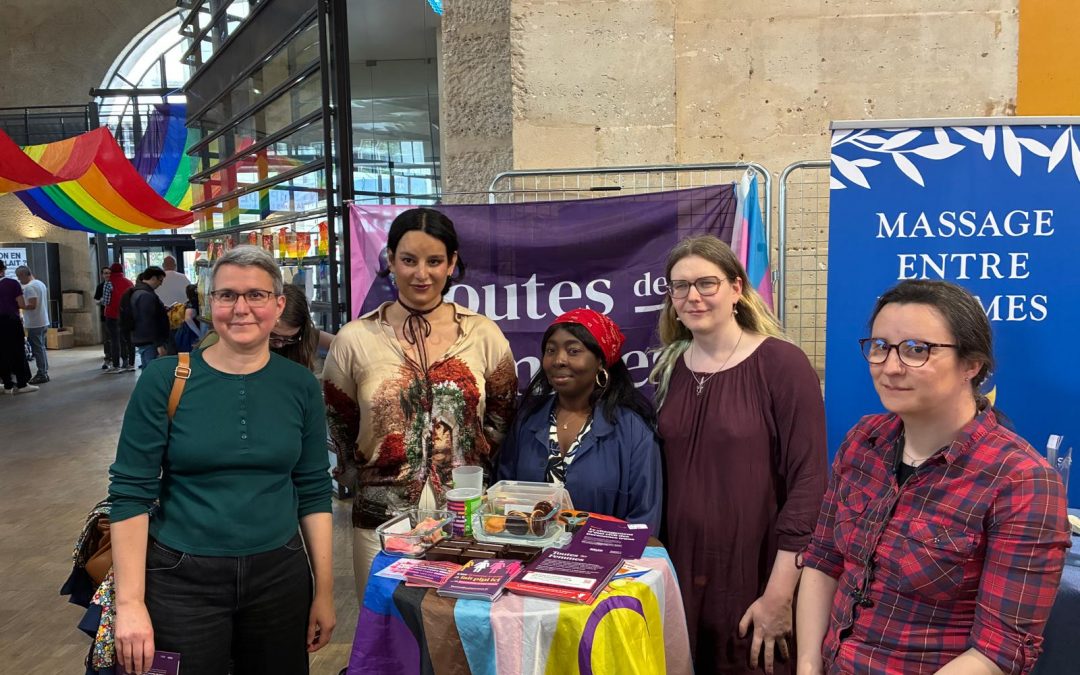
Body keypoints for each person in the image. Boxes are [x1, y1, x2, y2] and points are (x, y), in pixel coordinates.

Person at [796, 280, 1070, 675]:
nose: (890, 367)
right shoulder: (863, 441)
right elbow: (823, 561)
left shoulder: (1022, 481)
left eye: (916, 350)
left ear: (972, 364)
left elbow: (1000, 650)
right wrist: (808, 665)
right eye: (880, 347)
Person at [108, 245, 335, 675]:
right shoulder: (165, 380)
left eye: (257, 295)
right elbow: (130, 494)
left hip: (279, 577)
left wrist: (323, 591)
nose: (242, 308)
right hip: (180, 579)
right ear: (211, 304)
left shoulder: (301, 385)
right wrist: (131, 604)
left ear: (279, 303)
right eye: (227, 295)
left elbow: (313, 490)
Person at [649, 234, 827, 675]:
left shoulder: (782, 364)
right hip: (682, 573)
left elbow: (809, 484)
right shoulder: (668, 368)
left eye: (706, 283)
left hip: (755, 573)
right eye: (680, 286)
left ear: (736, 288)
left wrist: (779, 595)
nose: (692, 296)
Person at [322, 207, 518, 602]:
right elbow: (339, 421)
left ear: (452, 264)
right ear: (391, 261)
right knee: (385, 635)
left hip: (466, 518)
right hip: (380, 520)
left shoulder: (483, 335)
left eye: (434, 261)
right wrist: (360, 473)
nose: (421, 274)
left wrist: (468, 465)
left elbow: (502, 412)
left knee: (459, 630)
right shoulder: (355, 339)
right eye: (408, 260)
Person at [497, 308, 662, 533]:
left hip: (606, 561)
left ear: (601, 362)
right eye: (550, 351)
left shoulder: (633, 430)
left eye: (574, 351)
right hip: (528, 559)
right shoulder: (527, 420)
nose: (559, 360)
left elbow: (644, 521)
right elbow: (504, 500)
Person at [0, 259, 37, 394]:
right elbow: (21, 304)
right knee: (17, 351)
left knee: (1, 353)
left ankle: (7, 385)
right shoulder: (11, 283)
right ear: (3, 269)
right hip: (10, 321)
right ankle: (22, 383)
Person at [129, 266, 170, 369]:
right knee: (152, 371)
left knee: (148, 370)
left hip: (143, 339)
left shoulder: (139, 291)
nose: (161, 284)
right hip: (149, 341)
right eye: (160, 280)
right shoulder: (146, 295)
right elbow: (148, 322)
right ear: (153, 278)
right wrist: (159, 344)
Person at [16, 265, 50, 384]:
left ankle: (42, 373)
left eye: (19, 277)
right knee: (41, 348)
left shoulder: (30, 287)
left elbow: (32, 305)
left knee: (37, 349)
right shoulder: (40, 283)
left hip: (35, 323)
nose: (20, 280)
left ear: (24, 275)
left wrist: (18, 305)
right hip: (42, 321)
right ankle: (44, 371)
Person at [103, 262, 135, 373]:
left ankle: (116, 365)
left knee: (114, 340)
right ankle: (130, 364)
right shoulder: (129, 282)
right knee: (128, 340)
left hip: (112, 315)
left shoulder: (109, 283)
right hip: (127, 316)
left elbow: (107, 301)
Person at [93, 266, 113, 370]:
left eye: (109, 273)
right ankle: (108, 357)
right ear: (102, 275)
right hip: (104, 315)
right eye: (105, 273)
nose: (107, 275)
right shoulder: (100, 286)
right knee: (107, 338)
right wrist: (102, 300)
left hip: (115, 315)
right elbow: (96, 300)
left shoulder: (114, 285)